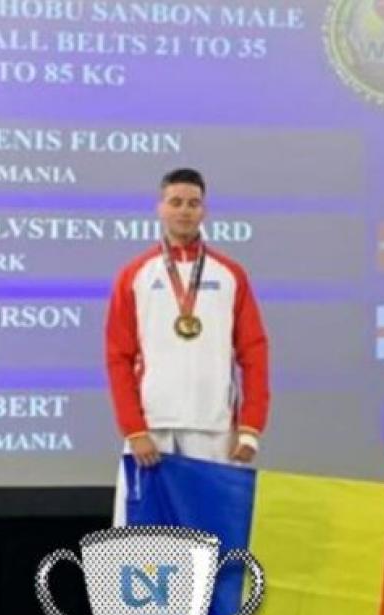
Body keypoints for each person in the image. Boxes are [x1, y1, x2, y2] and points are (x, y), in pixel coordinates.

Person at [105, 167, 270, 522]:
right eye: (176, 202)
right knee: (144, 542)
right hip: (153, 430)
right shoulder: (135, 275)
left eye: (193, 203)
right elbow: (118, 357)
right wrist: (134, 429)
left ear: (204, 211)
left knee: (215, 535)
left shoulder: (230, 274)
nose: (184, 210)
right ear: (160, 208)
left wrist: (250, 428)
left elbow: (254, 352)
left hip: (215, 429)